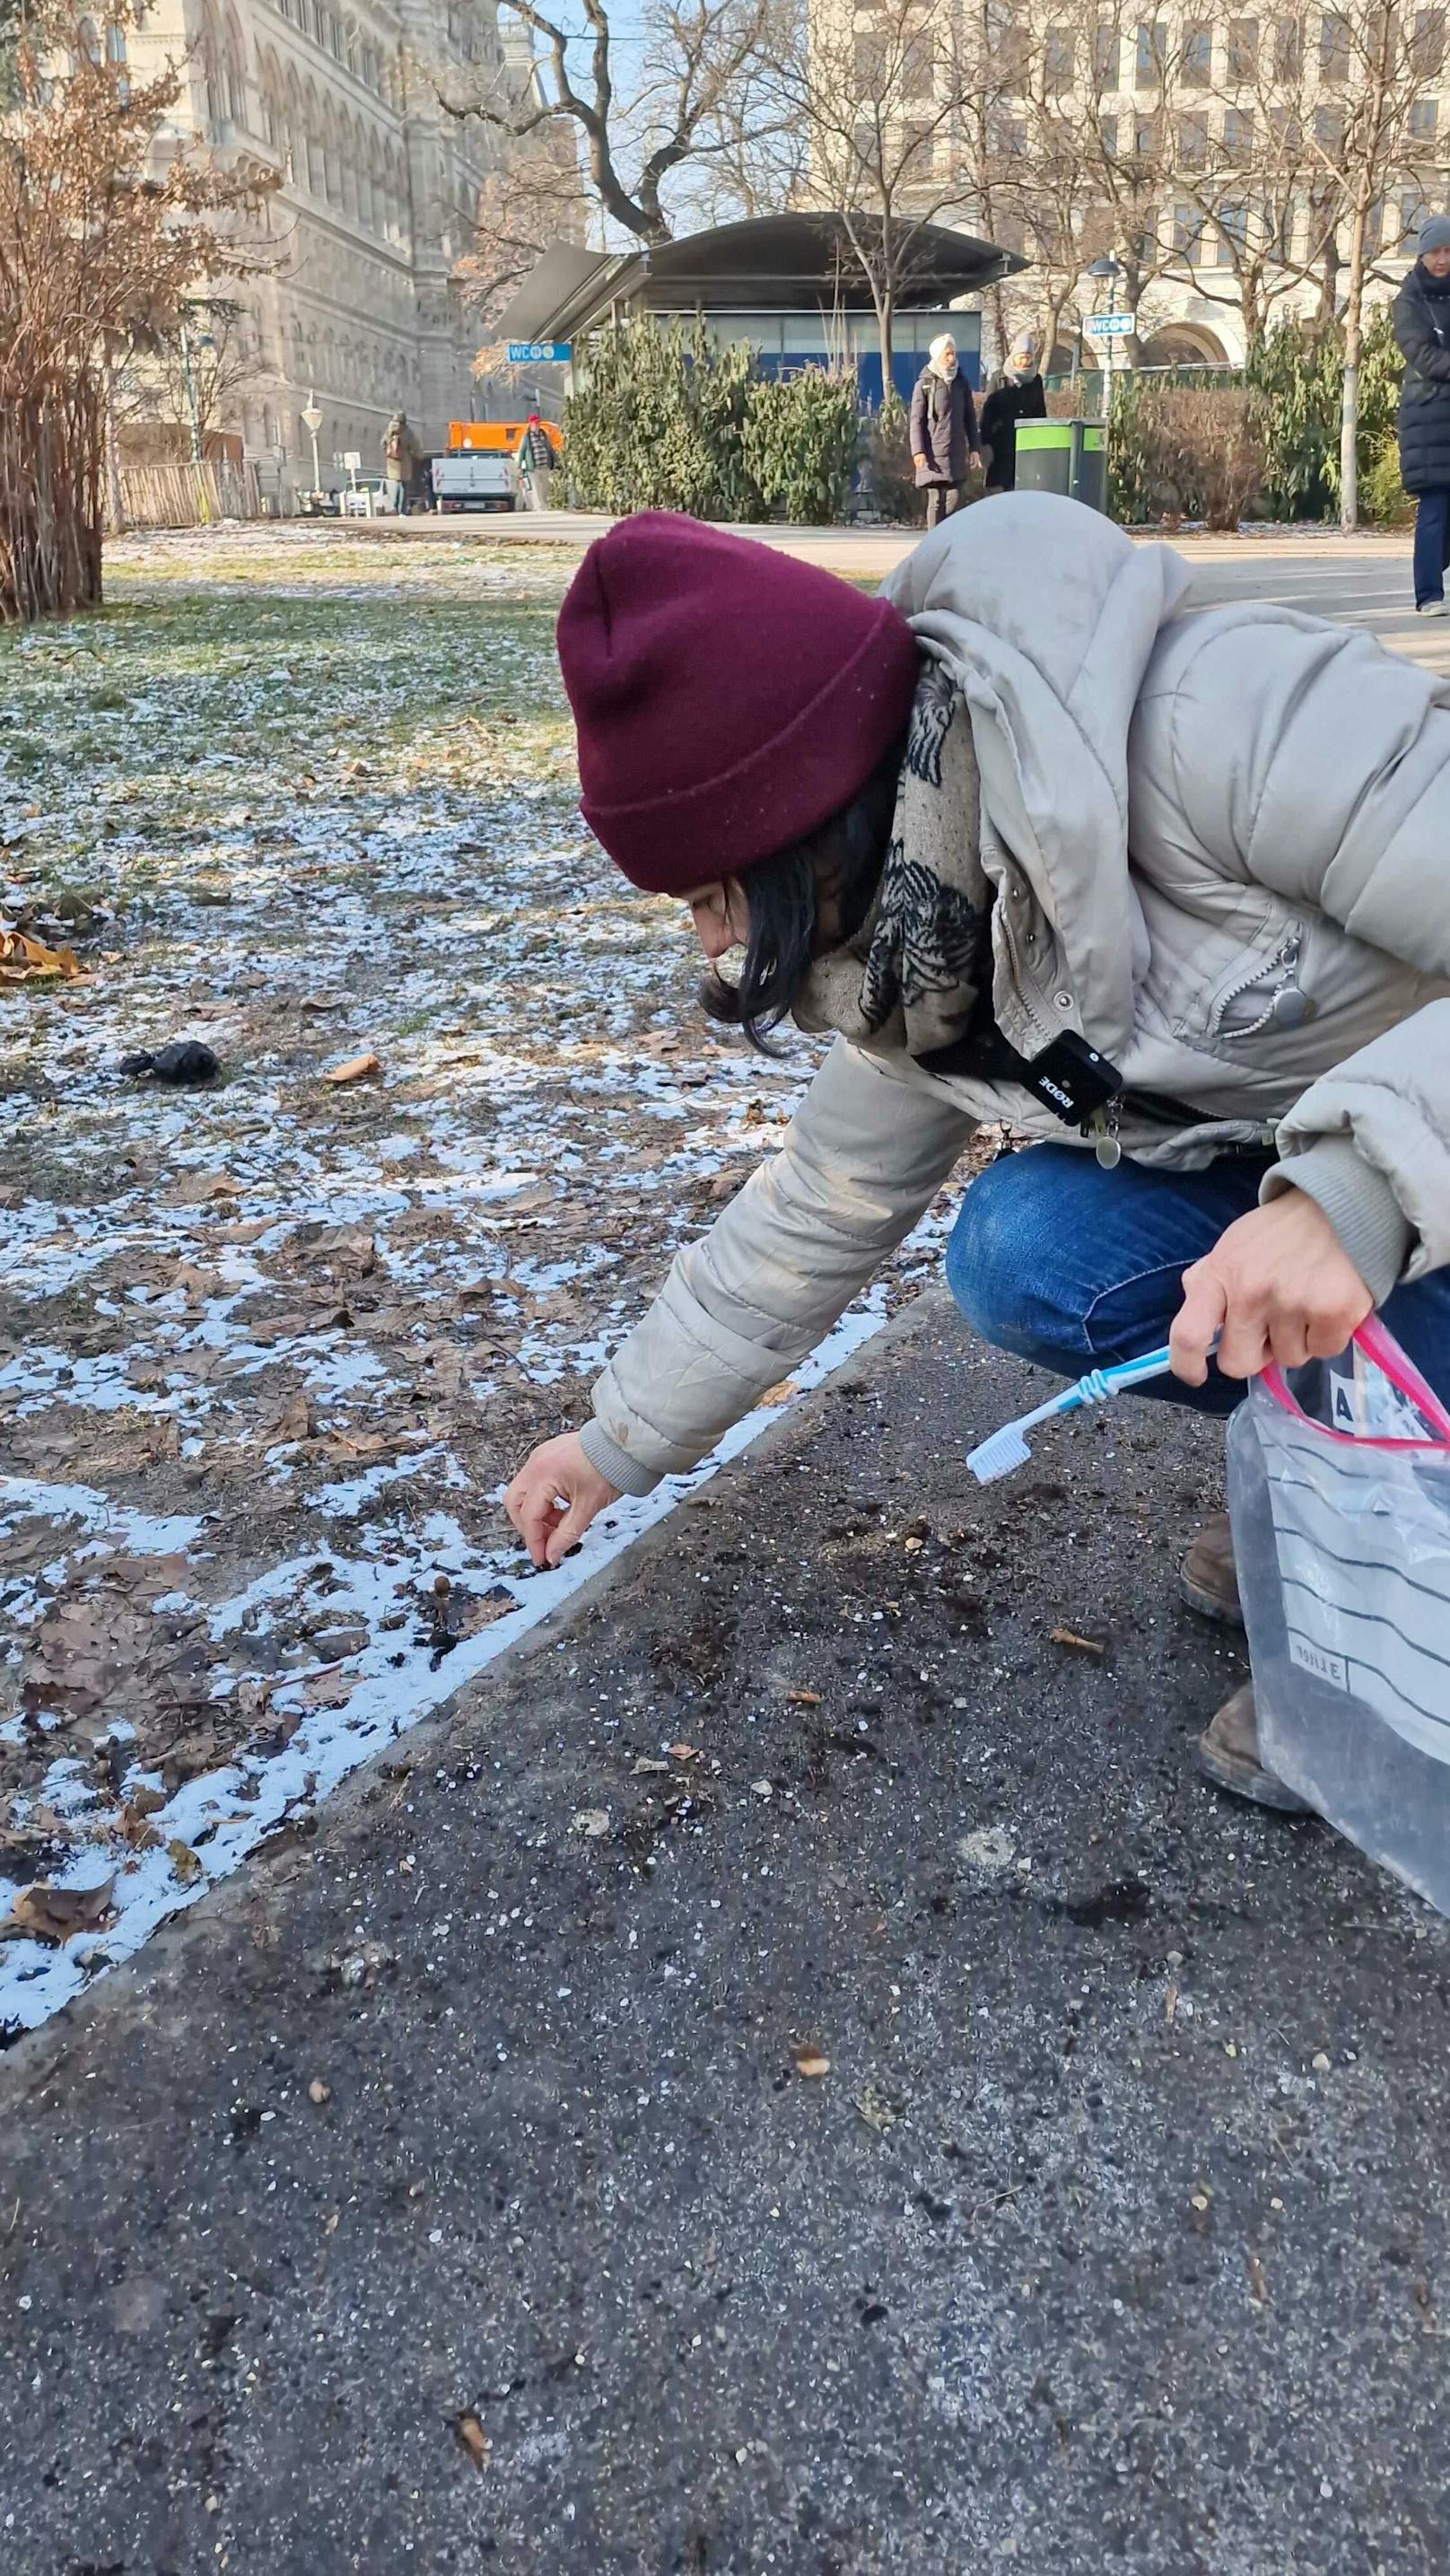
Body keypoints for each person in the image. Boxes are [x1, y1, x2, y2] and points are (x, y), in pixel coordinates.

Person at [505, 499, 1450, 1813]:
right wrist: (612, 1441)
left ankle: (1406, 1560)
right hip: (1377, 1192)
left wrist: (1355, 1191)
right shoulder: (916, 936)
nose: (720, 950)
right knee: (1020, 1247)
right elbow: (817, 1204)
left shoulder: (1211, 724)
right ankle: (1343, 1470)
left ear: (809, 816)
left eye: (717, 895)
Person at [1393, 217, 1450, 616]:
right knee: (1434, 508)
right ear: (1422, 255)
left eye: (1449, 251)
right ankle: (1429, 594)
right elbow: (1421, 354)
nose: (1443, 259)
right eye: (1435, 251)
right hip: (1429, 415)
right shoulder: (1409, 300)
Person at [908, 333, 983, 529]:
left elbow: (969, 417)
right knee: (936, 499)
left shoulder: (961, 383)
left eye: (953, 354)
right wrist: (918, 451)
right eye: (947, 354)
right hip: (932, 450)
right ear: (937, 355)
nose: (951, 358)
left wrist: (975, 447)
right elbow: (916, 421)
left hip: (955, 451)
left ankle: (946, 534)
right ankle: (934, 540)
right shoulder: (924, 384)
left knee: (955, 498)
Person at [979, 333, 1049, 495]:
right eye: (1021, 357)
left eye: (1028, 357)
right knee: (998, 488)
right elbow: (987, 412)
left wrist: (1041, 438)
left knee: (1021, 488)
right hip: (1000, 443)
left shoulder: (1035, 380)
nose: (1024, 361)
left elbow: (1040, 411)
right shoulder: (999, 377)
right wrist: (984, 442)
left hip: (1027, 443)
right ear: (1014, 356)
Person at [381, 411, 417, 515]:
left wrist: (389, 452)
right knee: (404, 486)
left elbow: (382, 443)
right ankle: (402, 509)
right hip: (404, 461)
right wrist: (417, 456)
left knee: (397, 483)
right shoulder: (407, 431)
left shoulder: (389, 430)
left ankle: (394, 506)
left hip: (392, 461)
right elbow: (414, 446)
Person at [520, 412, 555, 511]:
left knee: (546, 486)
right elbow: (522, 451)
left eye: (538, 423)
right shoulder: (527, 437)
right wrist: (519, 466)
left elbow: (550, 448)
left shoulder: (543, 435)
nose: (537, 425)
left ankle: (542, 503)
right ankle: (539, 506)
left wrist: (555, 460)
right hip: (533, 467)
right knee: (536, 487)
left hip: (545, 465)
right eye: (535, 423)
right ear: (531, 424)